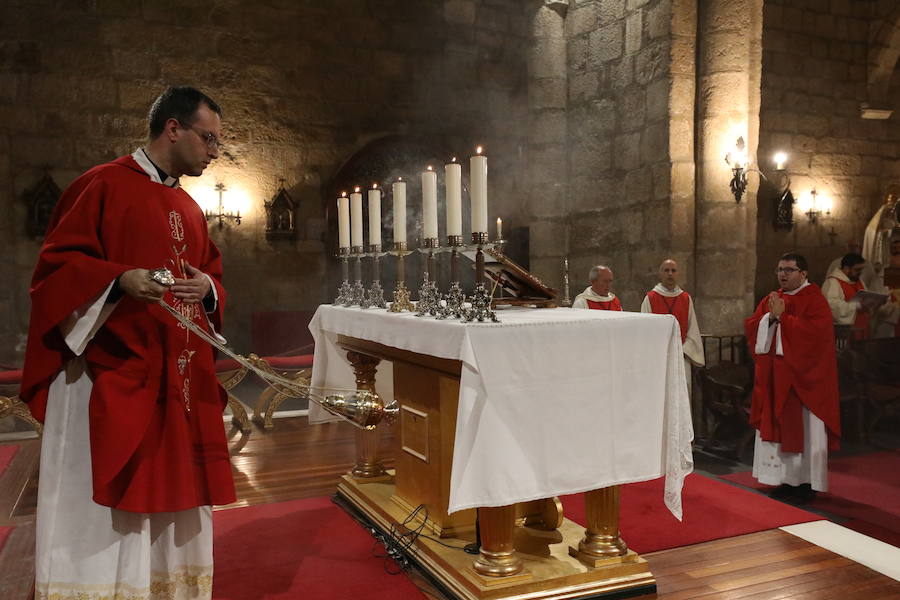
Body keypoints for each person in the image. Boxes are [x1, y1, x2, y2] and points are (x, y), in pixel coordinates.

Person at [19, 86, 234, 600]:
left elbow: (210, 273)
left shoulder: (189, 206)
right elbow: (55, 273)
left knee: (174, 490)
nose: (215, 151)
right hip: (109, 374)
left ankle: (166, 589)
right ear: (173, 128)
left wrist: (208, 289)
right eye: (209, 138)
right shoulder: (100, 186)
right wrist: (119, 281)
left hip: (175, 378)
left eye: (219, 142)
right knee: (108, 498)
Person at [745, 253, 840, 504]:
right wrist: (770, 317)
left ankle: (806, 484)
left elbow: (816, 337)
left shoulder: (815, 300)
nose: (783, 275)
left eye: (789, 270)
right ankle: (784, 480)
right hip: (777, 381)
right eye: (779, 270)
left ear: (804, 274)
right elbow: (753, 327)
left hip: (804, 384)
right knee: (778, 429)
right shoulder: (772, 298)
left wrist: (782, 319)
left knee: (806, 433)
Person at [821, 253, 893, 340]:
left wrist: (876, 303)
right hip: (844, 334)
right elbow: (831, 306)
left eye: (861, 269)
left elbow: (867, 299)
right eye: (857, 269)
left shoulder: (858, 281)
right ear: (847, 268)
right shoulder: (832, 282)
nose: (860, 273)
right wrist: (857, 306)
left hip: (863, 328)